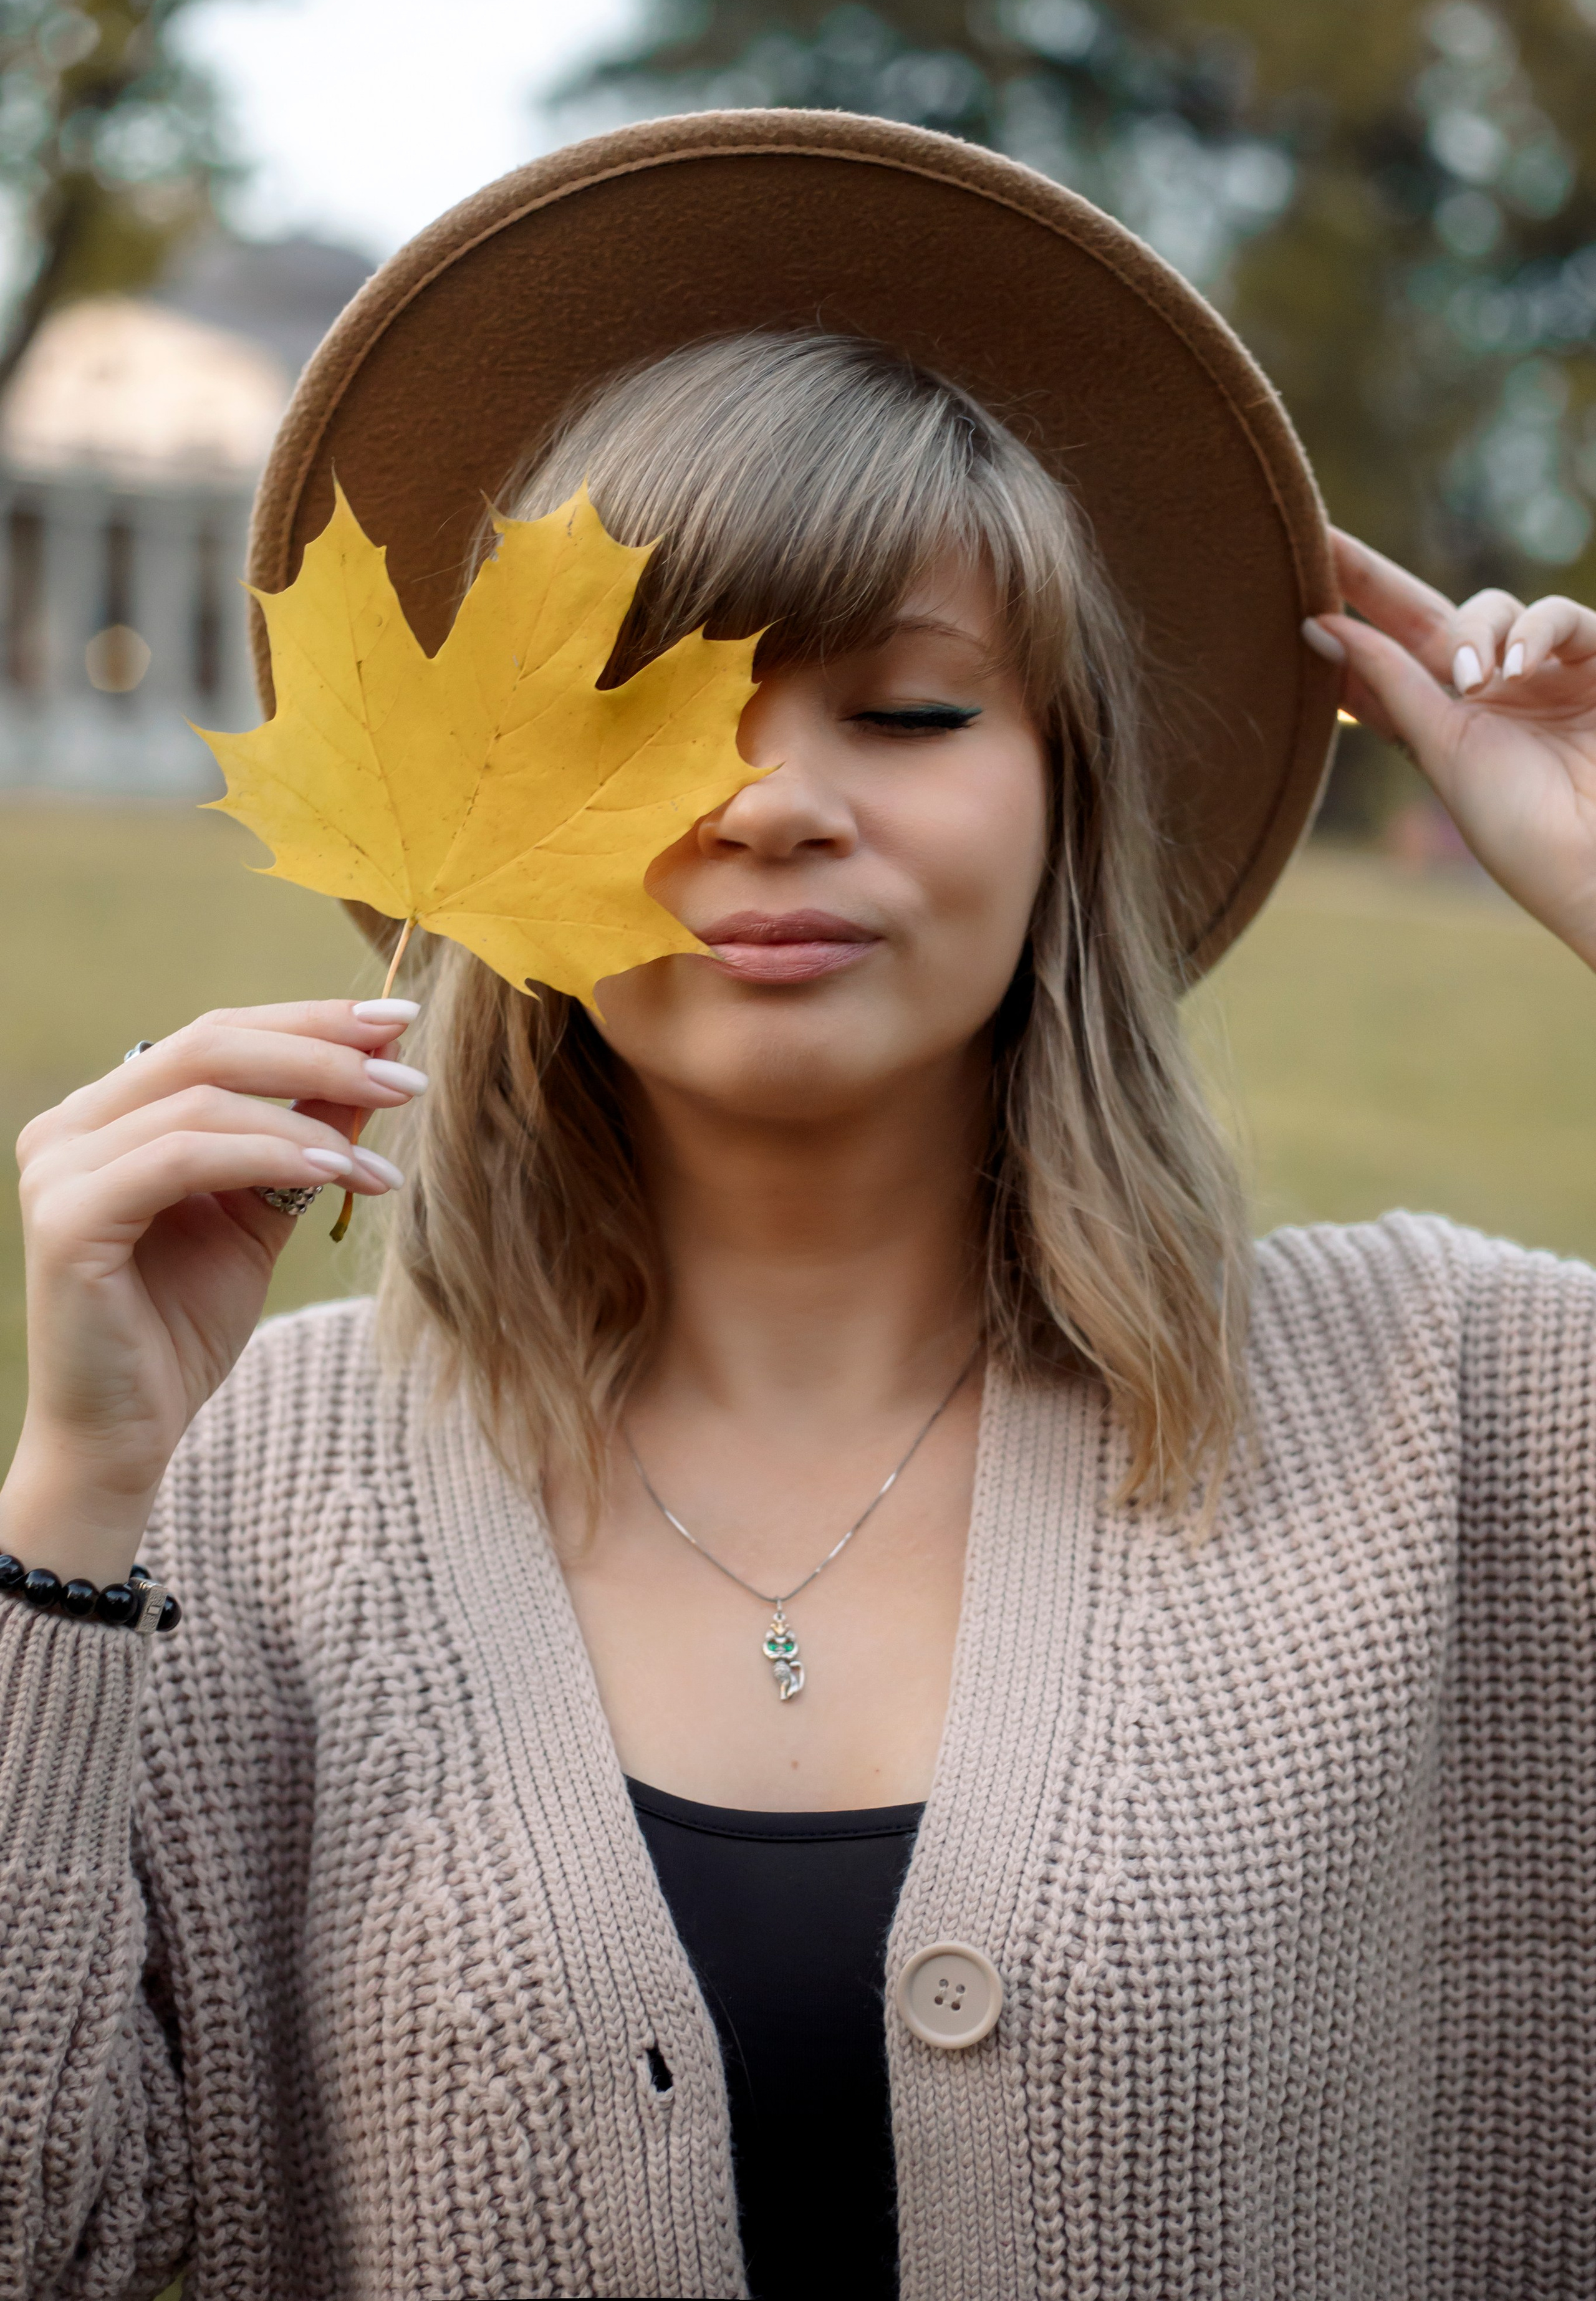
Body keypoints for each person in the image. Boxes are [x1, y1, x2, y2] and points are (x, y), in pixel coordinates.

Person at [2, 113, 1593, 2301]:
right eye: (651, 719)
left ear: (1068, 796)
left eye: (911, 707)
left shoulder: (1467, 1412)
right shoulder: (239, 1491)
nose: (770, 802)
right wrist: (76, 1501)